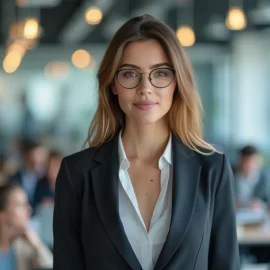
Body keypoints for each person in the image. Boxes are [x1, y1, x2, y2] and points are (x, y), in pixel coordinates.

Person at [53, 14, 239, 270]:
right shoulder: (77, 174)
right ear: (113, 84)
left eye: (160, 73)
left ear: (178, 82)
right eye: (130, 74)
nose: (145, 88)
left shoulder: (213, 170)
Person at [0, 183, 53, 270]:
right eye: (21, 205)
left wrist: (37, 245)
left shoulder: (24, 245)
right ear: (2, 214)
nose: (29, 209)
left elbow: (52, 266)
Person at [234, 145, 270, 210]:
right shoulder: (231, 175)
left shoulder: (264, 177)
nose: (250, 165)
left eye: (254, 162)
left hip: (256, 215)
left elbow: (266, 200)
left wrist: (260, 204)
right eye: (247, 162)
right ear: (240, 161)